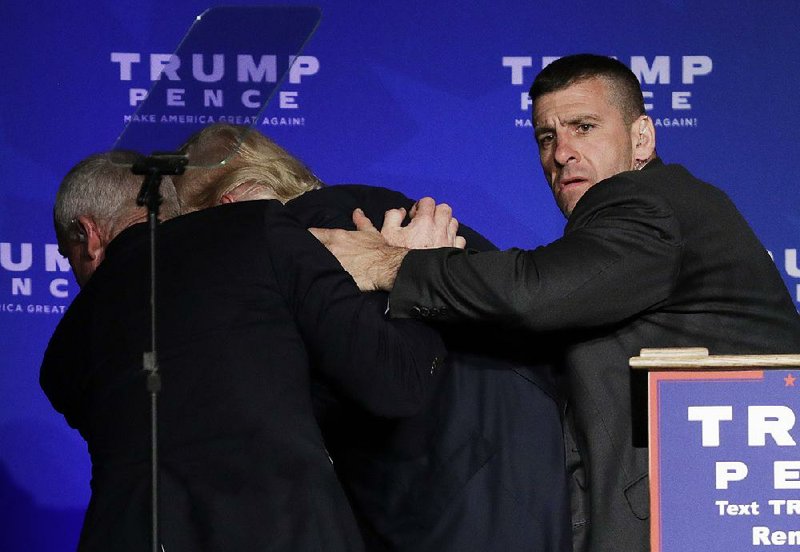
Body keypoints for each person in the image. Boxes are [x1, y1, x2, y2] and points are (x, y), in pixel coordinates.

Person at [310, 54, 800, 552]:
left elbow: (532, 294)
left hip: (703, 518)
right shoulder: (648, 218)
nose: (562, 152)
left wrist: (387, 264)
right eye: (547, 137)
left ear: (642, 138)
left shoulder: (647, 201)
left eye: (584, 127)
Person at [173, 123, 573, 552]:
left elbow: (376, 380)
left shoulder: (309, 244)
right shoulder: (373, 206)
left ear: (227, 207)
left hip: (451, 500)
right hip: (536, 467)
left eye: (197, 229)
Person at [41, 151, 446, 551]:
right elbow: (394, 385)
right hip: (286, 531)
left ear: (88, 235)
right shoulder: (257, 227)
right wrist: (418, 271)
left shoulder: (62, 352)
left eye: (68, 256)